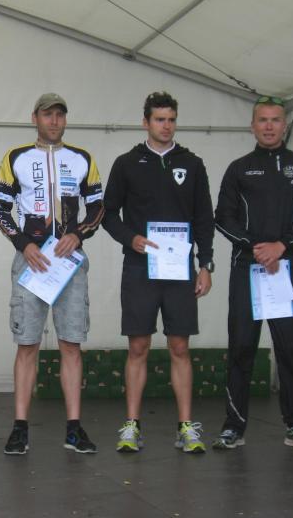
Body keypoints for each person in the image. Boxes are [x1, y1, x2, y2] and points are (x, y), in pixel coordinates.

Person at [0, 93, 104, 455]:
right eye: (47, 114)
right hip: (32, 261)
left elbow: (98, 207)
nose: (54, 121)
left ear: (65, 119)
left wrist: (78, 234)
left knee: (71, 344)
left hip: (69, 263)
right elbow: (0, 209)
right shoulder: (16, 157)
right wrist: (23, 244)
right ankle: (19, 428)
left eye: (59, 115)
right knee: (27, 345)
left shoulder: (83, 158)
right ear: (35, 118)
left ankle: (74, 428)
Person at [102, 91, 214, 453]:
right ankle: (131, 426)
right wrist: (130, 238)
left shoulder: (192, 164)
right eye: (159, 119)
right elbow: (107, 213)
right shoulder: (127, 163)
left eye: (171, 119)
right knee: (138, 346)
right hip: (140, 268)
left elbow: (204, 218)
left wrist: (205, 265)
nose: (166, 126)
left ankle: (186, 428)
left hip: (180, 269)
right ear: (145, 122)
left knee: (180, 346)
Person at [213, 95, 293, 452]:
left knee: (290, 349)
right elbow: (223, 216)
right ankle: (233, 426)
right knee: (241, 348)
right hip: (246, 270)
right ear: (252, 126)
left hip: (285, 270)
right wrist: (256, 248)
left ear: (285, 125)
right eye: (262, 120)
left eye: (275, 120)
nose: (269, 126)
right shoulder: (239, 168)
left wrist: (282, 246)